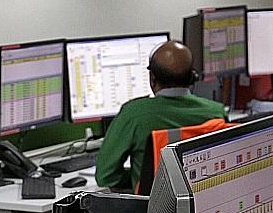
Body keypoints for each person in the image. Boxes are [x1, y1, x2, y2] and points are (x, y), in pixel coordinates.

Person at [94, 39, 225, 191]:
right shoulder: (217, 112)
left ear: (152, 78)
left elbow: (106, 176)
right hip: (205, 201)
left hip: (153, 204)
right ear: (192, 77)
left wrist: (142, 178)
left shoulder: (134, 114)